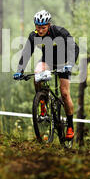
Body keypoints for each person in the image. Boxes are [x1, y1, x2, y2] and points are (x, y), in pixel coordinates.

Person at [13, 10, 79, 140]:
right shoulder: (33, 36)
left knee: (64, 93)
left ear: (49, 25)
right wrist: (19, 70)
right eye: (38, 27)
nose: (40, 30)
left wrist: (70, 63)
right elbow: (26, 53)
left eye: (43, 27)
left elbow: (74, 47)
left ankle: (70, 126)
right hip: (47, 60)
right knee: (37, 73)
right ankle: (42, 101)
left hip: (64, 61)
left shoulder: (59, 32)